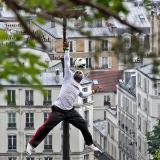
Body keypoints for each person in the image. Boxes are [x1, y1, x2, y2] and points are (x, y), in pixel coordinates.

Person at [26, 42, 101, 155]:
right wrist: (66, 49)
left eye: (81, 73)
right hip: (59, 110)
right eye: (78, 72)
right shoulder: (68, 77)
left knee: (83, 124)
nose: (79, 73)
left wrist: (94, 91)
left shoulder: (79, 87)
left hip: (70, 111)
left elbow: (83, 95)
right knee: (47, 127)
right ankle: (31, 144)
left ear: (81, 78)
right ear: (75, 73)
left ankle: (90, 144)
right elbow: (66, 62)